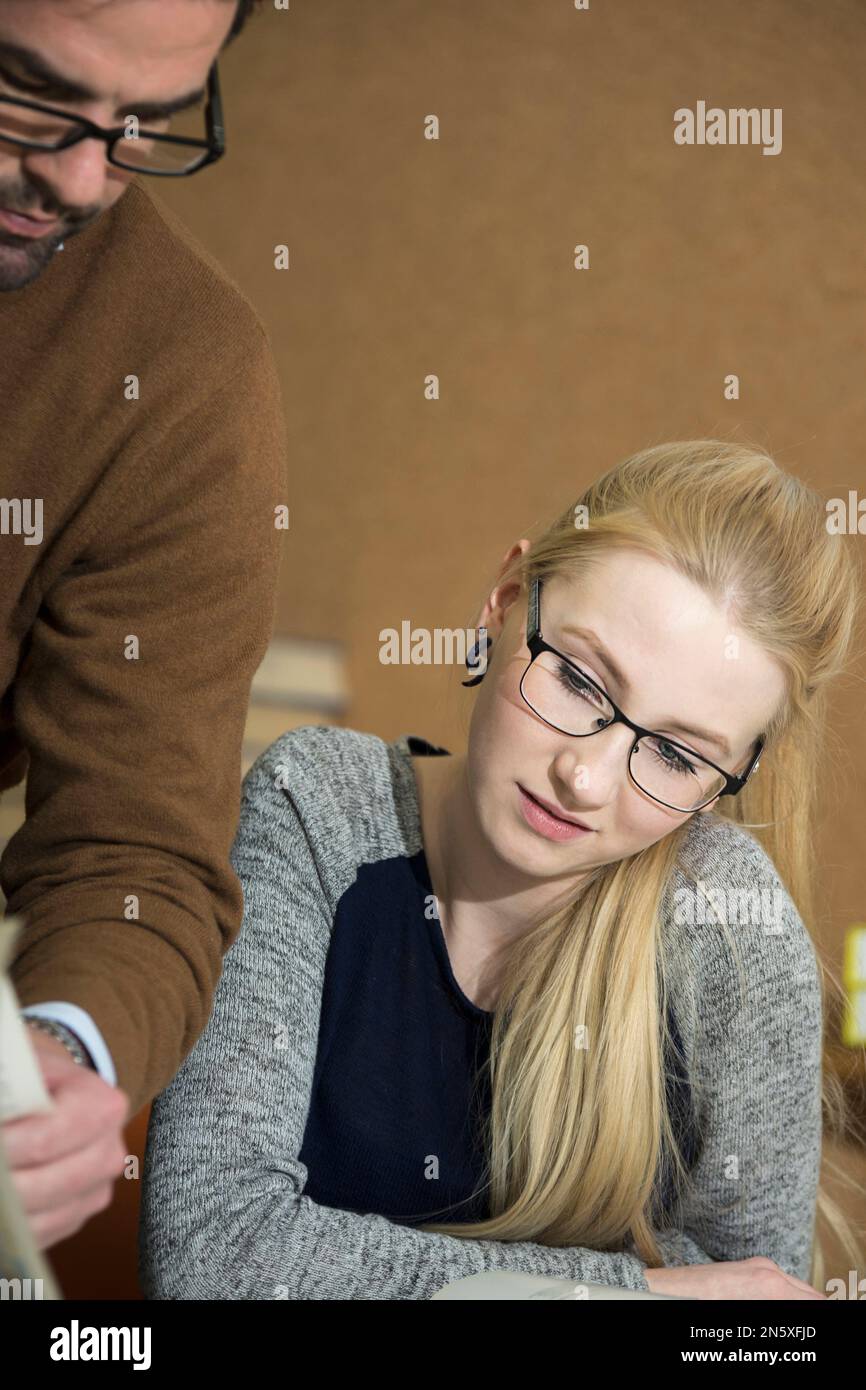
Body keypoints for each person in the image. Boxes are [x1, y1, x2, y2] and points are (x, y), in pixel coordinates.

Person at [139, 440, 864, 1300]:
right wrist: (634, 1295)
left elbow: (753, 1323)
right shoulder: (320, 808)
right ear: (506, 600)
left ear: (721, 787)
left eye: (674, 755)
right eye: (581, 682)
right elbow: (210, 1260)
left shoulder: (731, 925)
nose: (585, 779)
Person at [0, 0, 277, 1249]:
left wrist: (60, 1049)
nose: (75, 176)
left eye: (142, 124)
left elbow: (134, 852)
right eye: (27, 91)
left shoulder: (172, 365)